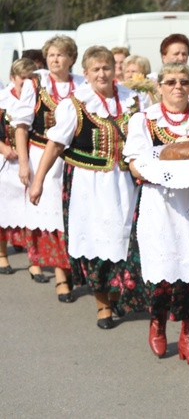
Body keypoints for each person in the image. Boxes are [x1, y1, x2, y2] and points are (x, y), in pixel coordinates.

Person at [123, 61, 189, 365]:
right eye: (170, 82)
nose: (178, 87)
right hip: (161, 205)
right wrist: (160, 171)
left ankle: (188, 338)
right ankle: (157, 324)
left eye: (183, 81)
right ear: (159, 87)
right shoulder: (144, 121)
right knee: (163, 273)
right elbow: (134, 163)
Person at [28, 47, 140, 329]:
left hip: (126, 182)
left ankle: (116, 293)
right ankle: (102, 303)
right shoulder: (75, 104)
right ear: (86, 74)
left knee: (123, 240)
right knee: (94, 242)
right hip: (88, 185)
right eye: (96, 70)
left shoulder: (132, 99)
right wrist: (38, 181)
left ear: (114, 70)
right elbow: (54, 145)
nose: (102, 74)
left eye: (106, 68)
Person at [10, 35, 85, 301]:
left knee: (74, 214)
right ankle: (61, 275)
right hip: (41, 153)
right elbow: (21, 125)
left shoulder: (82, 85)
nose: (55, 59)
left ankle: (75, 266)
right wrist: (23, 162)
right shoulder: (36, 84)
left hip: (74, 158)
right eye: (51, 54)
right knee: (51, 217)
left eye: (61, 55)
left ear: (71, 59)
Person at [0, 59, 36, 274]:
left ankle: (35, 261)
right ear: (12, 79)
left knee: (30, 211)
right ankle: (2, 254)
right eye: (21, 79)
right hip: (6, 160)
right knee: (3, 210)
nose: (25, 84)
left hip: (31, 160)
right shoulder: (2, 101)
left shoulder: (37, 101)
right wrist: (3, 148)